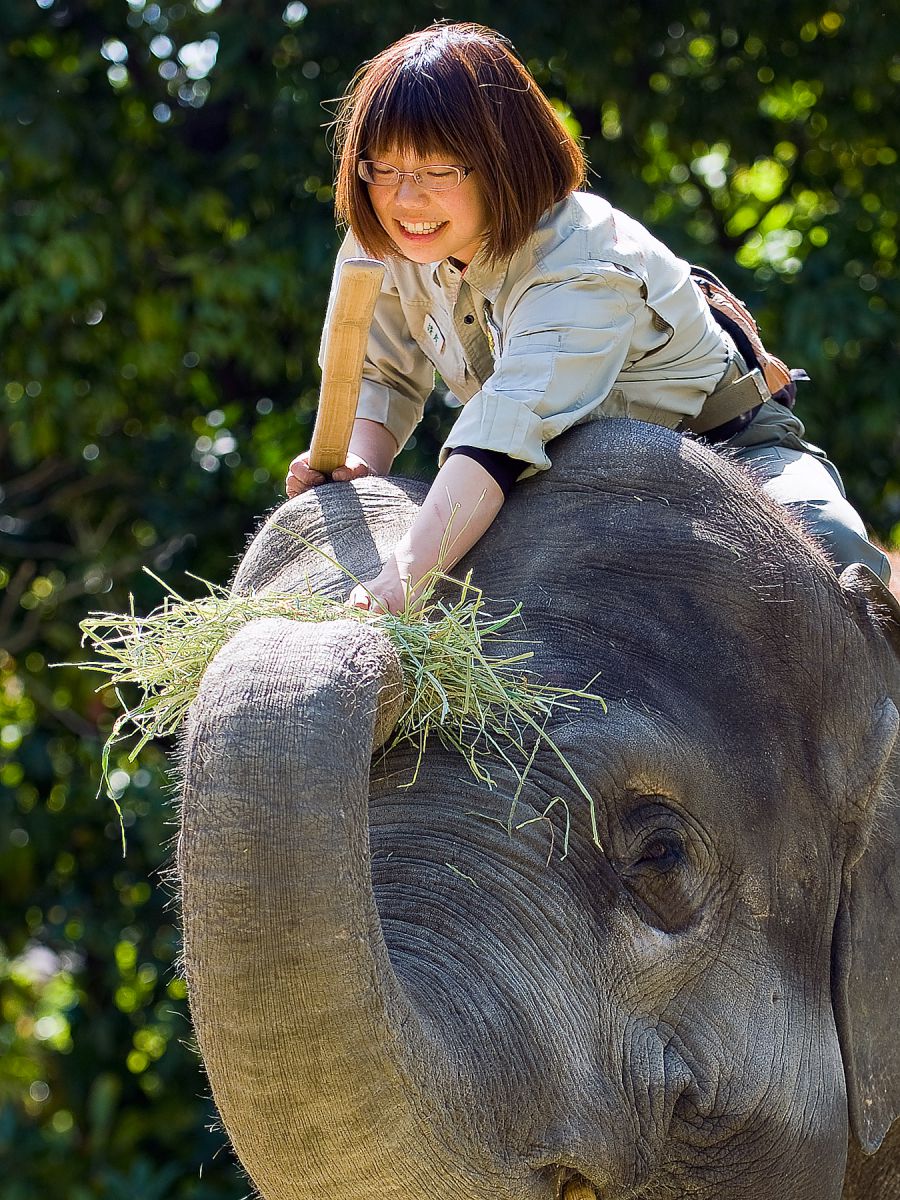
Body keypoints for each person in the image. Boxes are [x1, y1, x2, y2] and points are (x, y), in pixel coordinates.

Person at [285, 22, 890, 611]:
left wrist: (397, 589)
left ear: (505, 161)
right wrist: (363, 457)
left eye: (438, 170)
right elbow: (380, 377)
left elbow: (499, 436)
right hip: (551, 470)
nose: (405, 198)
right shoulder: (388, 237)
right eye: (384, 169)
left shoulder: (584, 259)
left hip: (721, 447)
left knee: (838, 565)